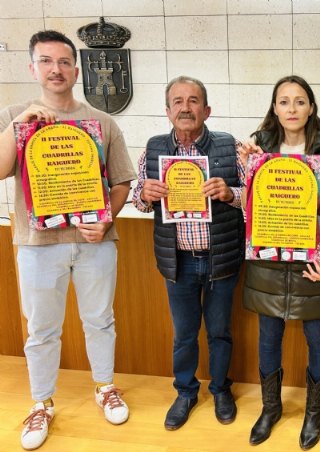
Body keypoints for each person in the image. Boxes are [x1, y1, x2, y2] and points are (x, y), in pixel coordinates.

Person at [0, 30, 134, 450]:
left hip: (95, 241)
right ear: (32, 68)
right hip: (38, 242)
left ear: (77, 70)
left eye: (63, 62)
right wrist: (19, 127)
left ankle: (105, 387)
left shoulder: (102, 123)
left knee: (100, 319)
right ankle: (41, 403)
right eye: (46, 61)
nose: (55, 69)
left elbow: (122, 182)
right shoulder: (17, 115)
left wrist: (107, 217)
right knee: (41, 329)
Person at [239, 75, 320, 450]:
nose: (292, 109)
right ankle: (270, 408)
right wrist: (246, 173)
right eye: (284, 102)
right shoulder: (259, 148)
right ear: (274, 108)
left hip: (312, 263)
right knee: (269, 337)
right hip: (267, 260)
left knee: (318, 338)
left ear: (311, 107)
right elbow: (247, 210)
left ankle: (313, 412)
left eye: (299, 101)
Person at [131, 76, 245, 431]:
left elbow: (253, 196)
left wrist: (230, 193)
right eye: (177, 101)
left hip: (220, 258)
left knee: (220, 331)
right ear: (167, 111)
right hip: (177, 261)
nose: (185, 107)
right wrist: (145, 194)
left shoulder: (230, 147)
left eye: (193, 100)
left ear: (207, 110)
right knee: (184, 333)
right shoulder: (152, 151)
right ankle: (185, 391)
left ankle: (221, 388)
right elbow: (139, 202)